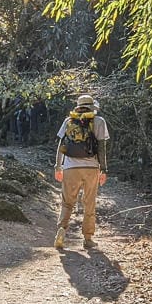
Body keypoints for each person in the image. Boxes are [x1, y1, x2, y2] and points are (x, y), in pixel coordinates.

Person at [53, 94, 109, 250]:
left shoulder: (68, 121)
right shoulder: (99, 121)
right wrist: (103, 169)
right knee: (89, 203)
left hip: (70, 167)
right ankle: (88, 238)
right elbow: (102, 147)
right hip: (91, 168)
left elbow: (61, 146)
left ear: (78, 107)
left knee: (67, 202)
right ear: (92, 107)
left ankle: (61, 229)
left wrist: (58, 166)